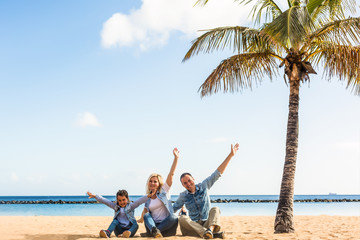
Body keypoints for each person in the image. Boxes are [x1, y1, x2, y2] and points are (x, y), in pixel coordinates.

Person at [173, 143, 239, 239]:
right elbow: (172, 209)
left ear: (193, 179)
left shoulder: (204, 185)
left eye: (189, 180)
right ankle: (210, 233)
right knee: (182, 218)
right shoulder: (183, 195)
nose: (188, 184)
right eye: (185, 183)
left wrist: (231, 155)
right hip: (193, 227)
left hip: (207, 223)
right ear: (183, 185)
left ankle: (210, 231)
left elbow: (217, 173)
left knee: (215, 209)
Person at [140, 148, 179, 238]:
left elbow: (171, 174)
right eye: (151, 181)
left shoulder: (164, 191)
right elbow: (145, 213)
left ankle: (155, 232)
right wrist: (140, 219)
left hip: (167, 226)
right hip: (153, 225)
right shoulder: (147, 197)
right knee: (146, 215)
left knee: (174, 216)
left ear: (159, 184)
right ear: (148, 183)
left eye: (155, 181)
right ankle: (154, 231)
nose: (152, 183)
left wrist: (176, 158)